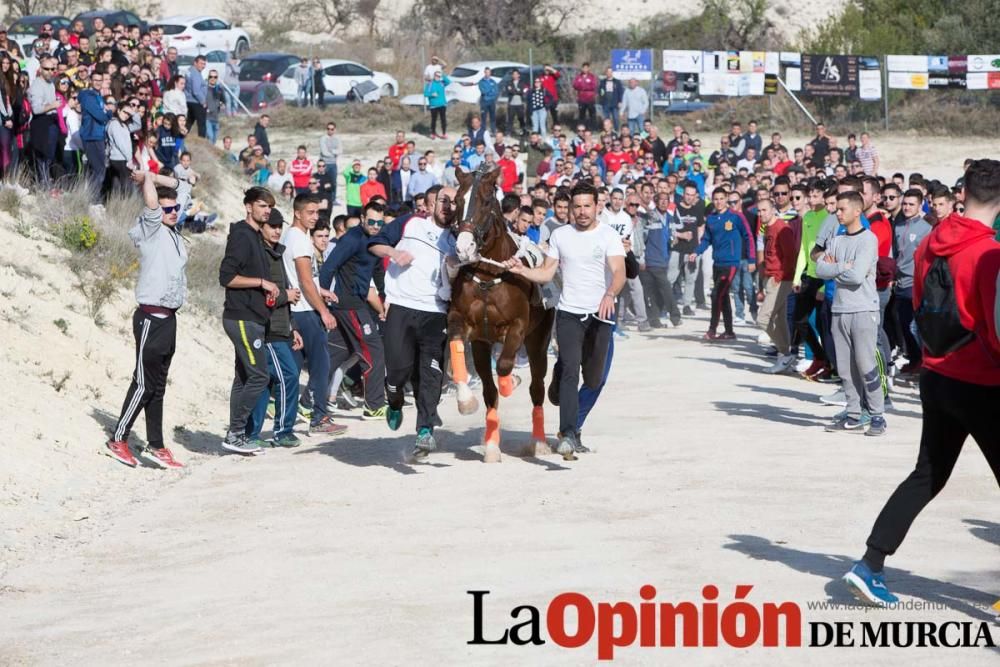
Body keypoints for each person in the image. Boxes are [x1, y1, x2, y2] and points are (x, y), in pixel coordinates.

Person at [842, 159, 1000, 607]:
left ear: (964, 192)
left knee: (928, 474)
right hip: (981, 381)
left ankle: (869, 563)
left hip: (936, 373)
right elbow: (994, 327)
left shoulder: (933, 239)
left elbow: (920, 303)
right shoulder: (989, 254)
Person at [505, 181, 626, 460]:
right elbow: (546, 274)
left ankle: (559, 374)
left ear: (597, 207)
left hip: (601, 314)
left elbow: (618, 271)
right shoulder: (561, 236)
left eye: (587, 206)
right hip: (569, 313)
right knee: (572, 370)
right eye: (577, 206)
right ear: (570, 208)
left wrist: (610, 293)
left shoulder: (608, 235)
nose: (582, 212)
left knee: (594, 378)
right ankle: (568, 433)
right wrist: (522, 270)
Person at [105, 170, 188, 469]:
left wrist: (152, 174)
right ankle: (118, 438)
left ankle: (156, 445)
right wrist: (146, 181)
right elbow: (152, 204)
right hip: (151, 317)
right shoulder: (151, 229)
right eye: (168, 209)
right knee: (143, 383)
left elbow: (184, 186)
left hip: (170, 318)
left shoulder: (173, 230)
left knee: (158, 386)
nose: (173, 212)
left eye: (176, 208)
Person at [368, 186, 458, 454]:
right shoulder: (411, 223)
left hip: (435, 311)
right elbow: (374, 244)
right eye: (444, 201)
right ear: (431, 205)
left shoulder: (459, 239)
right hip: (401, 306)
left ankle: (425, 429)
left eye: (454, 203)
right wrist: (394, 254)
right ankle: (394, 400)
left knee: (431, 372)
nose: (448, 206)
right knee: (398, 370)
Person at [218, 187, 283, 455]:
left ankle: (239, 435)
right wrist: (261, 282)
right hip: (241, 317)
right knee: (259, 375)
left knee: (244, 377)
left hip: (253, 317)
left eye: (269, 207)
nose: (266, 211)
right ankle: (235, 433)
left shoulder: (255, 236)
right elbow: (226, 277)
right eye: (261, 206)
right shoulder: (243, 237)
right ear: (248, 207)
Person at [281, 194, 348, 437]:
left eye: (317, 212)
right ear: (297, 213)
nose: (314, 217)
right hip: (306, 312)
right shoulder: (299, 240)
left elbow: (305, 280)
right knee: (321, 367)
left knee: (294, 368)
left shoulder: (293, 237)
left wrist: (322, 291)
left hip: (299, 310)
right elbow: (305, 281)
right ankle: (319, 417)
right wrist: (323, 310)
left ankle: (285, 423)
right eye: (310, 212)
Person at [817, 191, 883, 434]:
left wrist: (836, 269)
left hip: (863, 309)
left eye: (842, 208)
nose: (837, 212)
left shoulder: (868, 240)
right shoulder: (836, 239)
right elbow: (820, 268)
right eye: (836, 209)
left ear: (857, 210)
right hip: (840, 309)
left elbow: (857, 277)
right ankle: (854, 413)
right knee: (844, 367)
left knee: (865, 364)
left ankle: (877, 415)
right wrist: (842, 266)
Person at [319, 200, 389, 420]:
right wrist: (322, 298)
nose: (376, 226)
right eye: (372, 222)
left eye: (379, 222)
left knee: (337, 352)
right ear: (362, 219)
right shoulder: (352, 239)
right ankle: (374, 405)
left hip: (355, 304)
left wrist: (384, 298)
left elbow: (377, 272)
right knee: (374, 350)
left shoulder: (375, 240)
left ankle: (309, 401)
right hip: (349, 304)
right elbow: (330, 267)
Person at [245, 209, 304, 448]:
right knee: (288, 376)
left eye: (280, 226)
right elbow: (259, 296)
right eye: (272, 226)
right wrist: (285, 297)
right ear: (262, 228)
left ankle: (253, 433)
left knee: (265, 381)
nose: (277, 230)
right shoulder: (260, 255)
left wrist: (293, 328)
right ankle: (282, 430)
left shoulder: (278, 253)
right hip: (266, 330)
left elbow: (284, 292)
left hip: (281, 328)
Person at [689, 189, 754, 340]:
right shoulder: (711, 219)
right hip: (717, 262)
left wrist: (751, 259)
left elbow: (748, 235)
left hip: (731, 263)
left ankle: (712, 329)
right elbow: (706, 239)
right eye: (716, 199)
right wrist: (696, 251)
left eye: (721, 198)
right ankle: (729, 331)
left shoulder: (736, 217)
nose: (718, 202)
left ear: (726, 199)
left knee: (716, 294)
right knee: (722, 297)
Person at [893, 189, 933, 374]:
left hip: (915, 283)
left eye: (911, 204)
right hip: (899, 282)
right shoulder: (899, 225)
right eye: (905, 204)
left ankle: (924, 362)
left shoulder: (926, 228)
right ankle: (914, 358)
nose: (907, 207)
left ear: (919, 205)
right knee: (902, 322)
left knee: (913, 325)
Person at [756, 197, 798, 373]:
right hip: (771, 277)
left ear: (773, 210)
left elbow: (791, 256)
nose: (761, 214)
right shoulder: (768, 228)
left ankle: (785, 353)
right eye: (759, 211)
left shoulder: (782, 228)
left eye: (764, 210)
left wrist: (779, 276)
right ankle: (785, 355)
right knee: (778, 319)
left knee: (763, 318)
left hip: (781, 279)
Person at [185, 54, 207, 138]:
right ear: (195, 63)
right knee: (201, 124)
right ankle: (202, 142)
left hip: (189, 100)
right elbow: (196, 91)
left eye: (204, 64)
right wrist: (203, 101)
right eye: (201, 63)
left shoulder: (189, 71)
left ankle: (182, 139)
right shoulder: (196, 74)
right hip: (196, 102)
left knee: (189, 122)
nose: (203, 66)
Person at [424, 70, 450, 139]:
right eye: (436, 76)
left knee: (443, 119)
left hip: (442, 104)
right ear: (434, 76)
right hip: (434, 105)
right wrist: (431, 94)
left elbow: (448, 81)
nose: (437, 77)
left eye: (439, 76)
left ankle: (444, 133)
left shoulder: (442, 83)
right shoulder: (430, 84)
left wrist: (443, 75)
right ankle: (433, 134)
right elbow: (425, 94)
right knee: (434, 120)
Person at [319, 122, 341, 202]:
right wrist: (334, 152)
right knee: (322, 181)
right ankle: (321, 198)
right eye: (328, 129)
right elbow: (324, 152)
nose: (330, 131)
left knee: (333, 182)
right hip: (324, 164)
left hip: (333, 164)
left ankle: (333, 199)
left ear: (334, 130)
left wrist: (331, 151)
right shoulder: (323, 138)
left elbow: (340, 150)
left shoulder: (337, 139)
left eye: (332, 129)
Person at [572, 62, 598, 129]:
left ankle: (593, 129)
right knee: (581, 115)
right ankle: (581, 129)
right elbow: (575, 85)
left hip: (590, 99)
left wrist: (584, 87)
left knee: (592, 115)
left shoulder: (592, 76)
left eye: (586, 68)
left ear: (588, 68)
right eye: (584, 68)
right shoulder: (578, 77)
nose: (585, 69)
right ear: (582, 68)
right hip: (581, 99)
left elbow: (593, 86)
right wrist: (582, 86)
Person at [503, 69, 528, 136]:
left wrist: (514, 90)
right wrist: (517, 90)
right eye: (513, 74)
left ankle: (523, 132)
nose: (515, 75)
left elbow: (522, 91)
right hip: (511, 104)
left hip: (520, 104)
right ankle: (508, 132)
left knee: (521, 119)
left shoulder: (522, 82)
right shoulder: (509, 82)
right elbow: (508, 91)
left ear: (519, 75)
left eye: (516, 74)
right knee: (510, 119)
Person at [477, 67, 498, 133]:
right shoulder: (481, 82)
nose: (487, 74)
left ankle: (493, 130)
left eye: (488, 72)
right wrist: (491, 90)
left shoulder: (493, 81)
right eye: (486, 72)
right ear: (484, 73)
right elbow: (483, 91)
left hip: (492, 101)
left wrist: (491, 93)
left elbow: (496, 91)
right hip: (484, 101)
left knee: (493, 117)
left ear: (490, 73)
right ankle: (483, 130)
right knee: (483, 117)